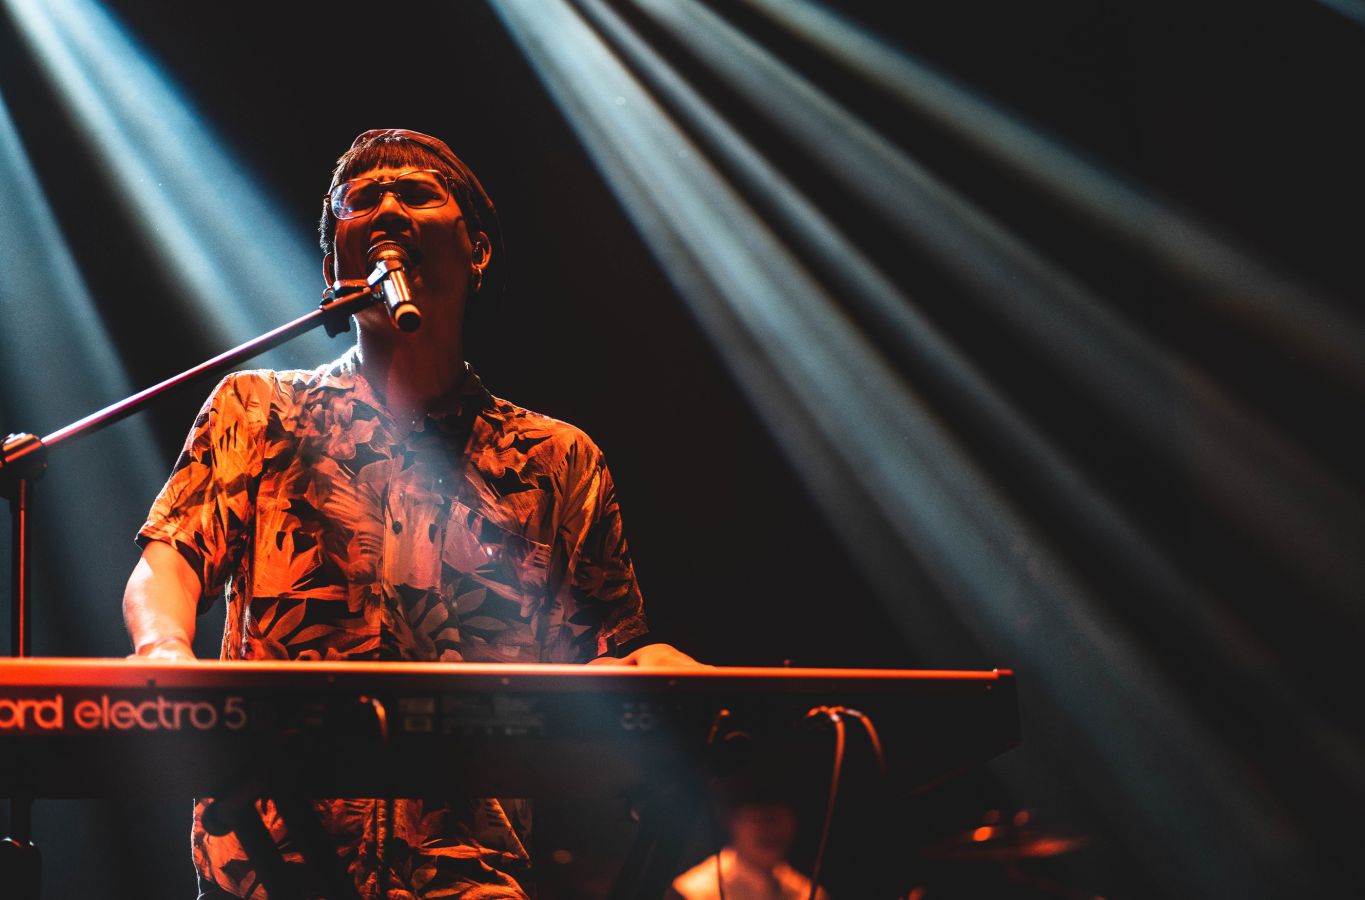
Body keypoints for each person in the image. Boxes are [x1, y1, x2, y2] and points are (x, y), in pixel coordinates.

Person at [123, 128, 695, 899]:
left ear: (478, 250)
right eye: (360, 200)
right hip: (271, 865)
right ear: (334, 268)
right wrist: (163, 650)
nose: (387, 208)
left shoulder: (555, 459)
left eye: (418, 193)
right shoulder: (259, 411)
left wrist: (658, 669)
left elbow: (609, 651)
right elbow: (170, 558)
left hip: (468, 872)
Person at [669, 799, 828, 900]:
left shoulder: (808, 893)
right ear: (734, 822)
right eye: (759, 820)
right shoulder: (693, 892)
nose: (769, 830)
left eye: (777, 819)